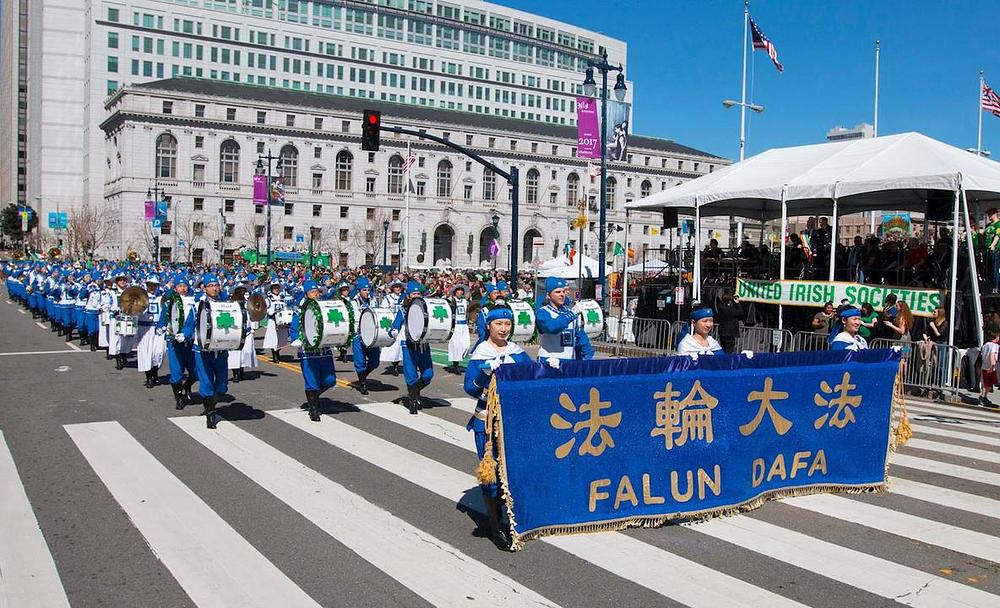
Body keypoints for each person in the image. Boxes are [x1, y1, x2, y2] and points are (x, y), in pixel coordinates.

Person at [463, 305, 533, 549]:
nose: (504, 329)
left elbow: (531, 379)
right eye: (498, 324)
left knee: (511, 472)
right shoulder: (481, 352)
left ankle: (509, 518)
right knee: (490, 475)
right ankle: (495, 527)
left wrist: (550, 370)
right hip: (487, 422)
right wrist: (484, 373)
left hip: (511, 421)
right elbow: (470, 388)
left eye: (507, 324)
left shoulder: (518, 352)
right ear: (488, 326)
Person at [182, 273, 230, 429]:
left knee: (222, 386)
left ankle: (211, 405)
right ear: (204, 288)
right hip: (202, 350)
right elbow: (190, 323)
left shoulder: (224, 304)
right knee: (207, 383)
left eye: (216, 285)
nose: (214, 288)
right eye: (211, 286)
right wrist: (184, 334)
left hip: (220, 349)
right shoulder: (199, 305)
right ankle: (210, 414)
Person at [289, 280, 336, 422]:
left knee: (330, 380)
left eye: (316, 291)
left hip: (324, 349)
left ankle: (313, 398)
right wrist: (295, 338)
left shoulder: (323, 307)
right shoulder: (301, 310)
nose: (315, 294)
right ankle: (314, 408)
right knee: (311, 381)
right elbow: (294, 327)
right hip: (308, 351)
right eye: (312, 292)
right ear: (307, 294)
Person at [392, 280, 434, 415]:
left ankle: (415, 391)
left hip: (423, 344)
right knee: (411, 375)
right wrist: (393, 331)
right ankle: (413, 402)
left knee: (428, 374)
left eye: (418, 293)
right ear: (408, 295)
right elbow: (396, 324)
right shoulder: (403, 309)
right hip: (408, 345)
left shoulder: (426, 308)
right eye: (414, 293)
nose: (417, 296)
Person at [159, 274, 198, 409]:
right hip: (174, 341)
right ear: (175, 288)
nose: (182, 288)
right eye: (179, 286)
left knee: (196, 371)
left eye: (184, 285)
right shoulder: (170, 302)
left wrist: (187, 334)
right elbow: (164, 316)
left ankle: (186, 386)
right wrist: (161, 327)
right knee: (176, 373)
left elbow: (195, 320)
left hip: (190, 342)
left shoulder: (193, 302)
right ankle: (179, 398)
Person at [535, 276, 594, 362]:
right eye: (558, 292)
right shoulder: (543, 312)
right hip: (548, 360)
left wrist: (587, 355)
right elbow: (552, 327)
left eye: (563, 291)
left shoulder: (570, 312)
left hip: (569, 361)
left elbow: (580, 337)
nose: (562, 294)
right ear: (548, 295)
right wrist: (571, 314)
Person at [351, 276, 381, 395]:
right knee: (360, 361)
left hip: (371, 335)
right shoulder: (354, 303)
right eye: (364, 290)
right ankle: (362, 383)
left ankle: (362, 377)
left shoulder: (372, 301)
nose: (367, 292)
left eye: (368, 290)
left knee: (375, 362)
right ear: (359, 291)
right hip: (358, 335)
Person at [136, 275, 166, 389]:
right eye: (150, 285)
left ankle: (155, 370)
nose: (152, 287)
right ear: (147, 285)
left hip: (158, 329)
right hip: (144, 328)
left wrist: (162, 325)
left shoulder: (161, 298)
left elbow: (165, 311)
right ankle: (149, 377)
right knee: (146, 353)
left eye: (155, 285)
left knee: (159, 353)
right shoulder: (141, 298)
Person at [380, 279, 404, 376]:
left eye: (399, 287)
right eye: (396, 287)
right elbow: (383, 310)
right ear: (393, 288)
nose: (398, 288)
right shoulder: (387, 298)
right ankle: (394, 365)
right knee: (394, 346)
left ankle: (400, 363)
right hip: (392, 323)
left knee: (401, 346)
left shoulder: (404, 297)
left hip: (402, 324)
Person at [262, 279, 289, 363]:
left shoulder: (282, 299)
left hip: (281, 321)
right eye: (274, 288)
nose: (276, 289)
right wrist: (271, 312)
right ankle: (275, 354)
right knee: (273, 338)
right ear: (271, 289)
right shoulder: (268, 299)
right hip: (273, 320)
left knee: (282, 338)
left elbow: (285, 308)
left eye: (277, 287)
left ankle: (278, 351)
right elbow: (265, 309)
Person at [446, 284, 470, 373]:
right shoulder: (452, 301)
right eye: (458, 290)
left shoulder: (465, 301)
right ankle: (456, 365)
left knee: (466, 344)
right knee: (456, 345)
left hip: (464, 325)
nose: (460, 292)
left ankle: (459, 361)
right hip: (456, 325)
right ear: (455, 292)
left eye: (461, 290)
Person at [980, 328, 999, 408]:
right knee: (987, 384)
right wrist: (992, 365)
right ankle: (983, 397)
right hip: (990, 367)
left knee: (986, 383)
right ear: (996, 337)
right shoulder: (995, 346)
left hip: (984, 366)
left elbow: (982, 354)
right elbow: (992, 355)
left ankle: (984, 397)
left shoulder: (986, 344)